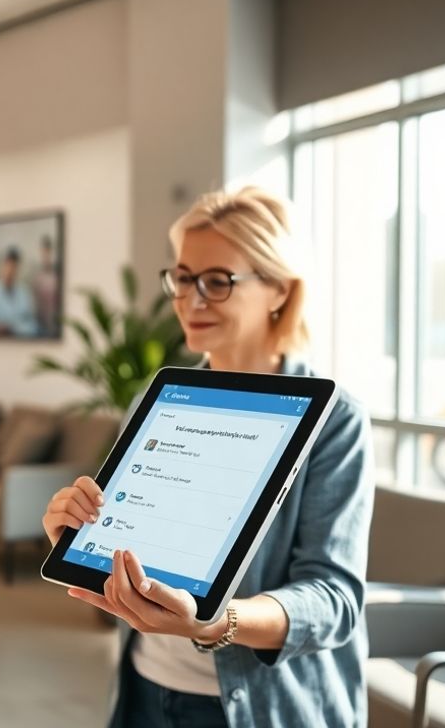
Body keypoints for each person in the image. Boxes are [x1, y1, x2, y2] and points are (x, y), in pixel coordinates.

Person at [42, 188, 373, 727]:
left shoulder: (335, 420)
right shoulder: (160, 399)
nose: (190, 300)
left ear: (279, 291)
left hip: (262, 709)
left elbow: (333, 602)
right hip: (145, 690)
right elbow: (137, 543)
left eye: (217, 281)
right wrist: (81, 534)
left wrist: (218, 624)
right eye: (182, 277)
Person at [0, 246, 38, 337]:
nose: (10, 271)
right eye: (7, 265)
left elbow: (32, 327)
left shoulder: (25, 293)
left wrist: (12, 328)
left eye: (14, 267)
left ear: (18, 268)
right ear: (2, 266)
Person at [31, 234, 60, 337]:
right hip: (40, 328)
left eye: (47, 252)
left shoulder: (57, 277)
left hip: (56, 327)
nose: (45, 256)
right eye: (43, 253)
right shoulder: (37, 278)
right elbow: (35, 306)